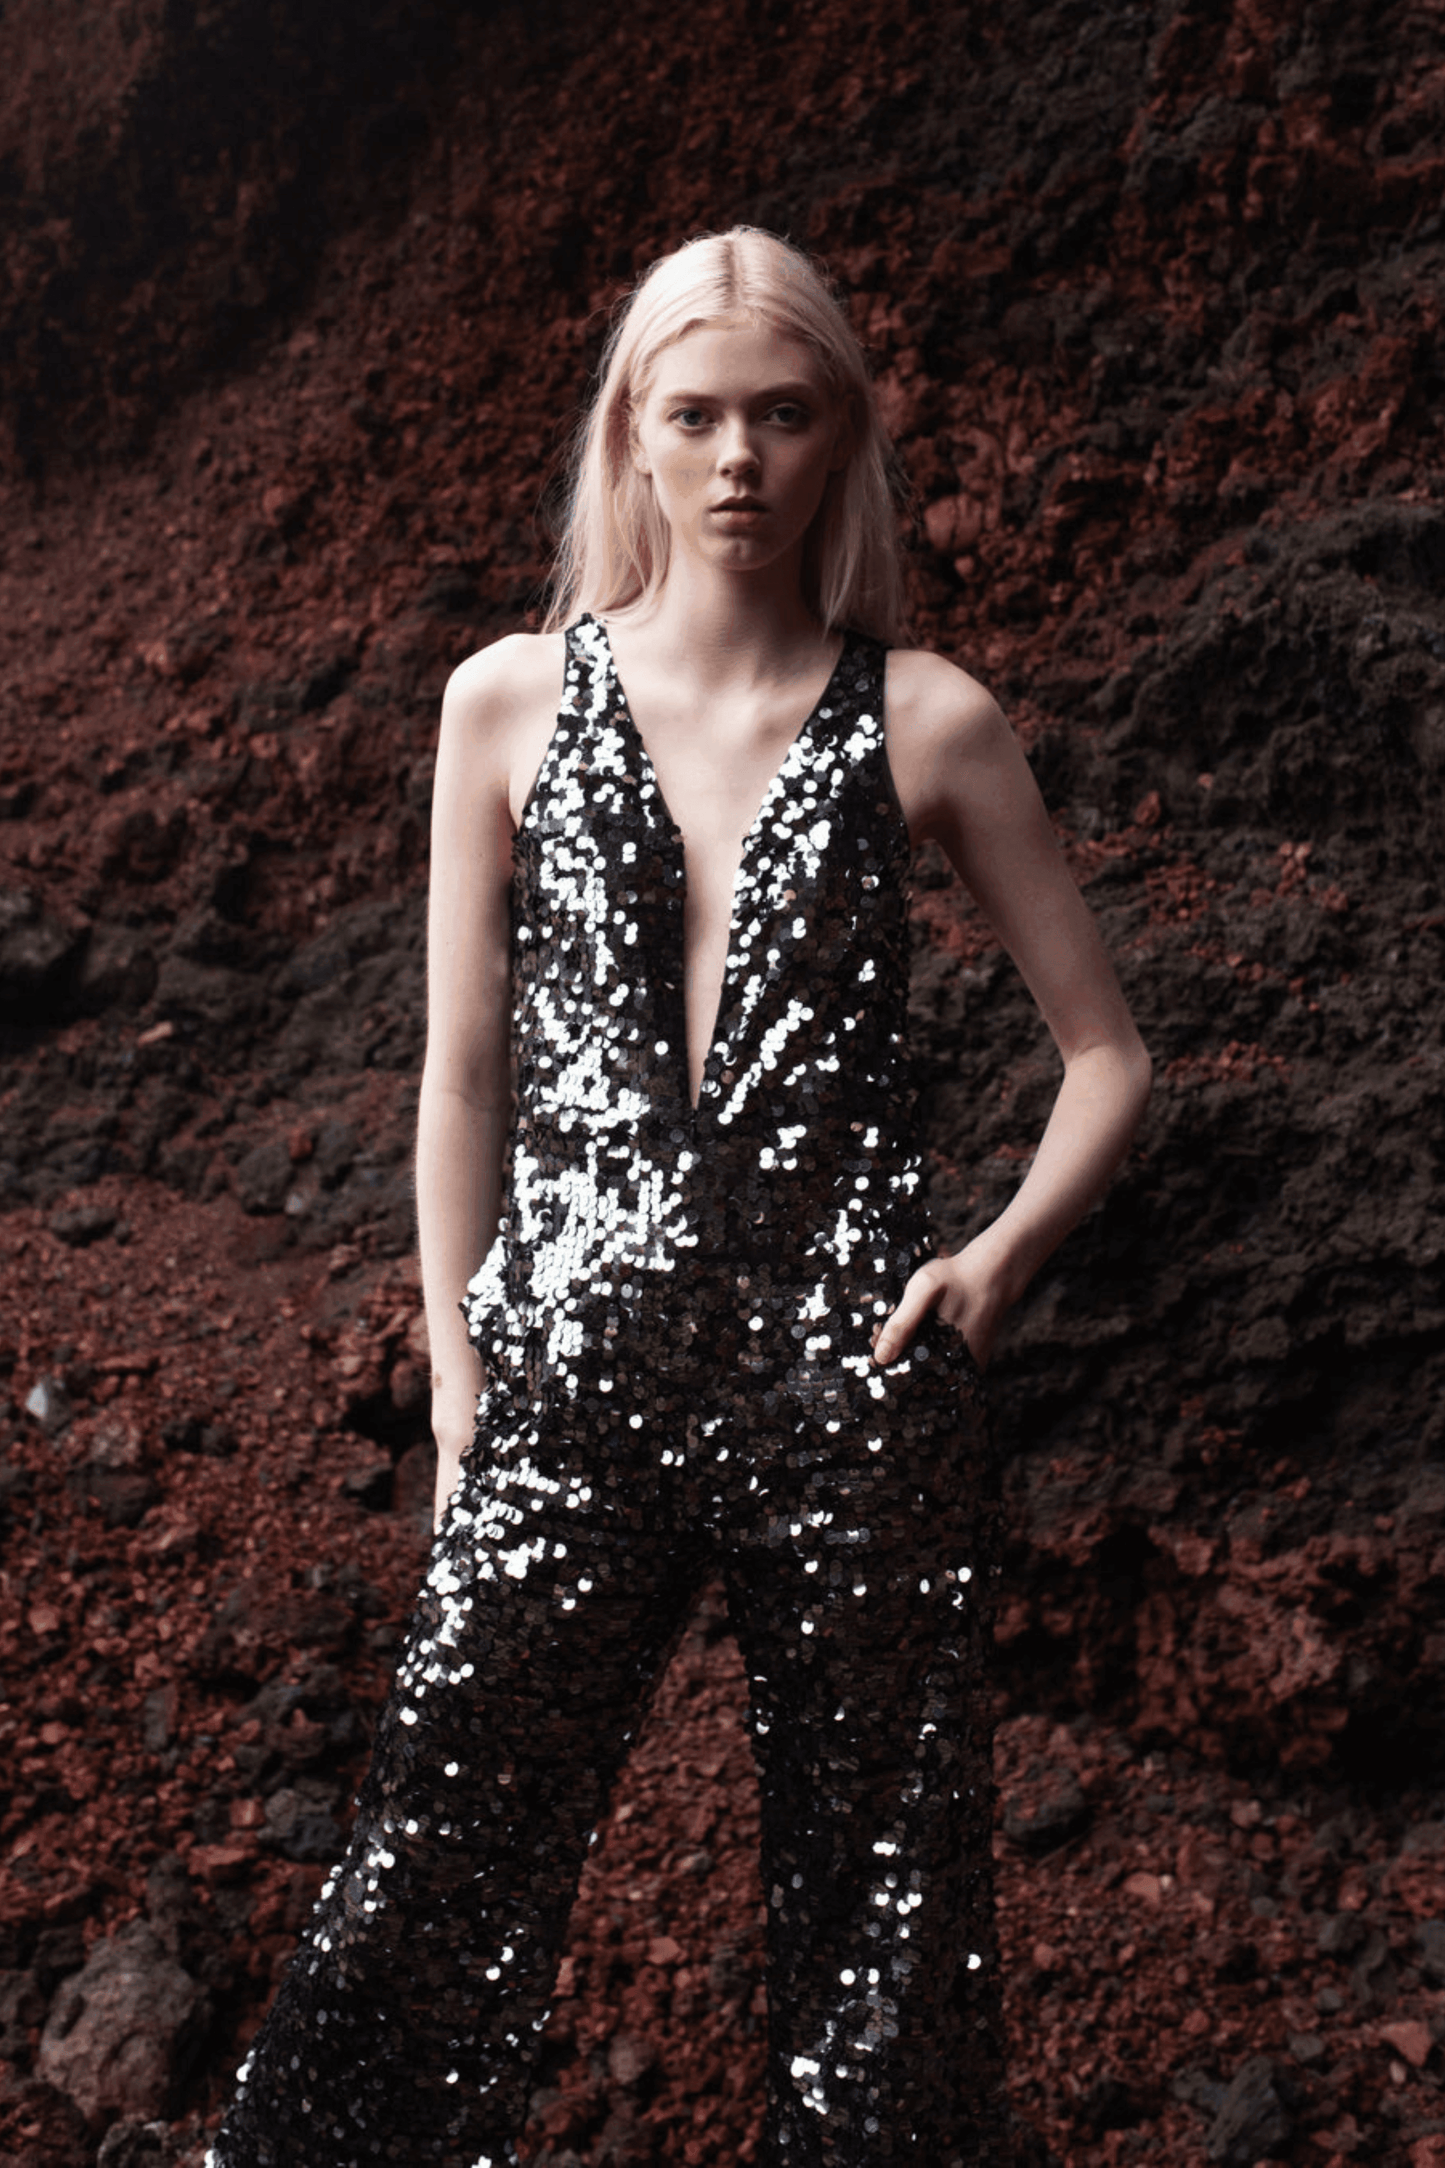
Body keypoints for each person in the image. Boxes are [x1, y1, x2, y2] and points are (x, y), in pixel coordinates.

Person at [207, 226, 1151, 2168]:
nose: (737, 460)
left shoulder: (927, 720)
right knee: (433, 1858)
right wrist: (458, 1372)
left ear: (841, 436)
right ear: (631, 433)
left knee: (886, 1919)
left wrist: (989, 1266)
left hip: (847, 1387)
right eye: (696, 413)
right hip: (563, 1376)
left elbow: (1109, 1056)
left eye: (781, 415)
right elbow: (460, 1073)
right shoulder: (503, 702)